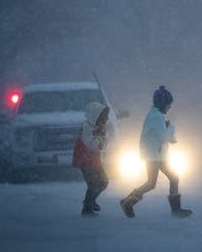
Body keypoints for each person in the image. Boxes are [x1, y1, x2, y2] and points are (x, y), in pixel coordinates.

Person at [120, 86, 192, 218]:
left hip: (153, 154)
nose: (170, 107)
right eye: (169, 104)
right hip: (155, 155)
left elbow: (162, 136)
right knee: (172, 177)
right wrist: (171, 127)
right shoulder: (157, 117)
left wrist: (167, 129)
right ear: (163, 103)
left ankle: (128, 202)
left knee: (151, 183)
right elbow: (165, 138)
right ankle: (176, 210)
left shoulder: (153, 114)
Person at [72, 102, 110, 217]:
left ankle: (91, 201)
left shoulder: (98, 127)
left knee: (103, 182)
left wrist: (101, 139)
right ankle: (87, 207)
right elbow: (92, 145)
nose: (106, 120)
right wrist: (100, 139)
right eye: (103, 117)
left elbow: (103, 144)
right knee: (93, 184)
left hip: (94, 161)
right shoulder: (86, 128)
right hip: (86, 161)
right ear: (95, 116)